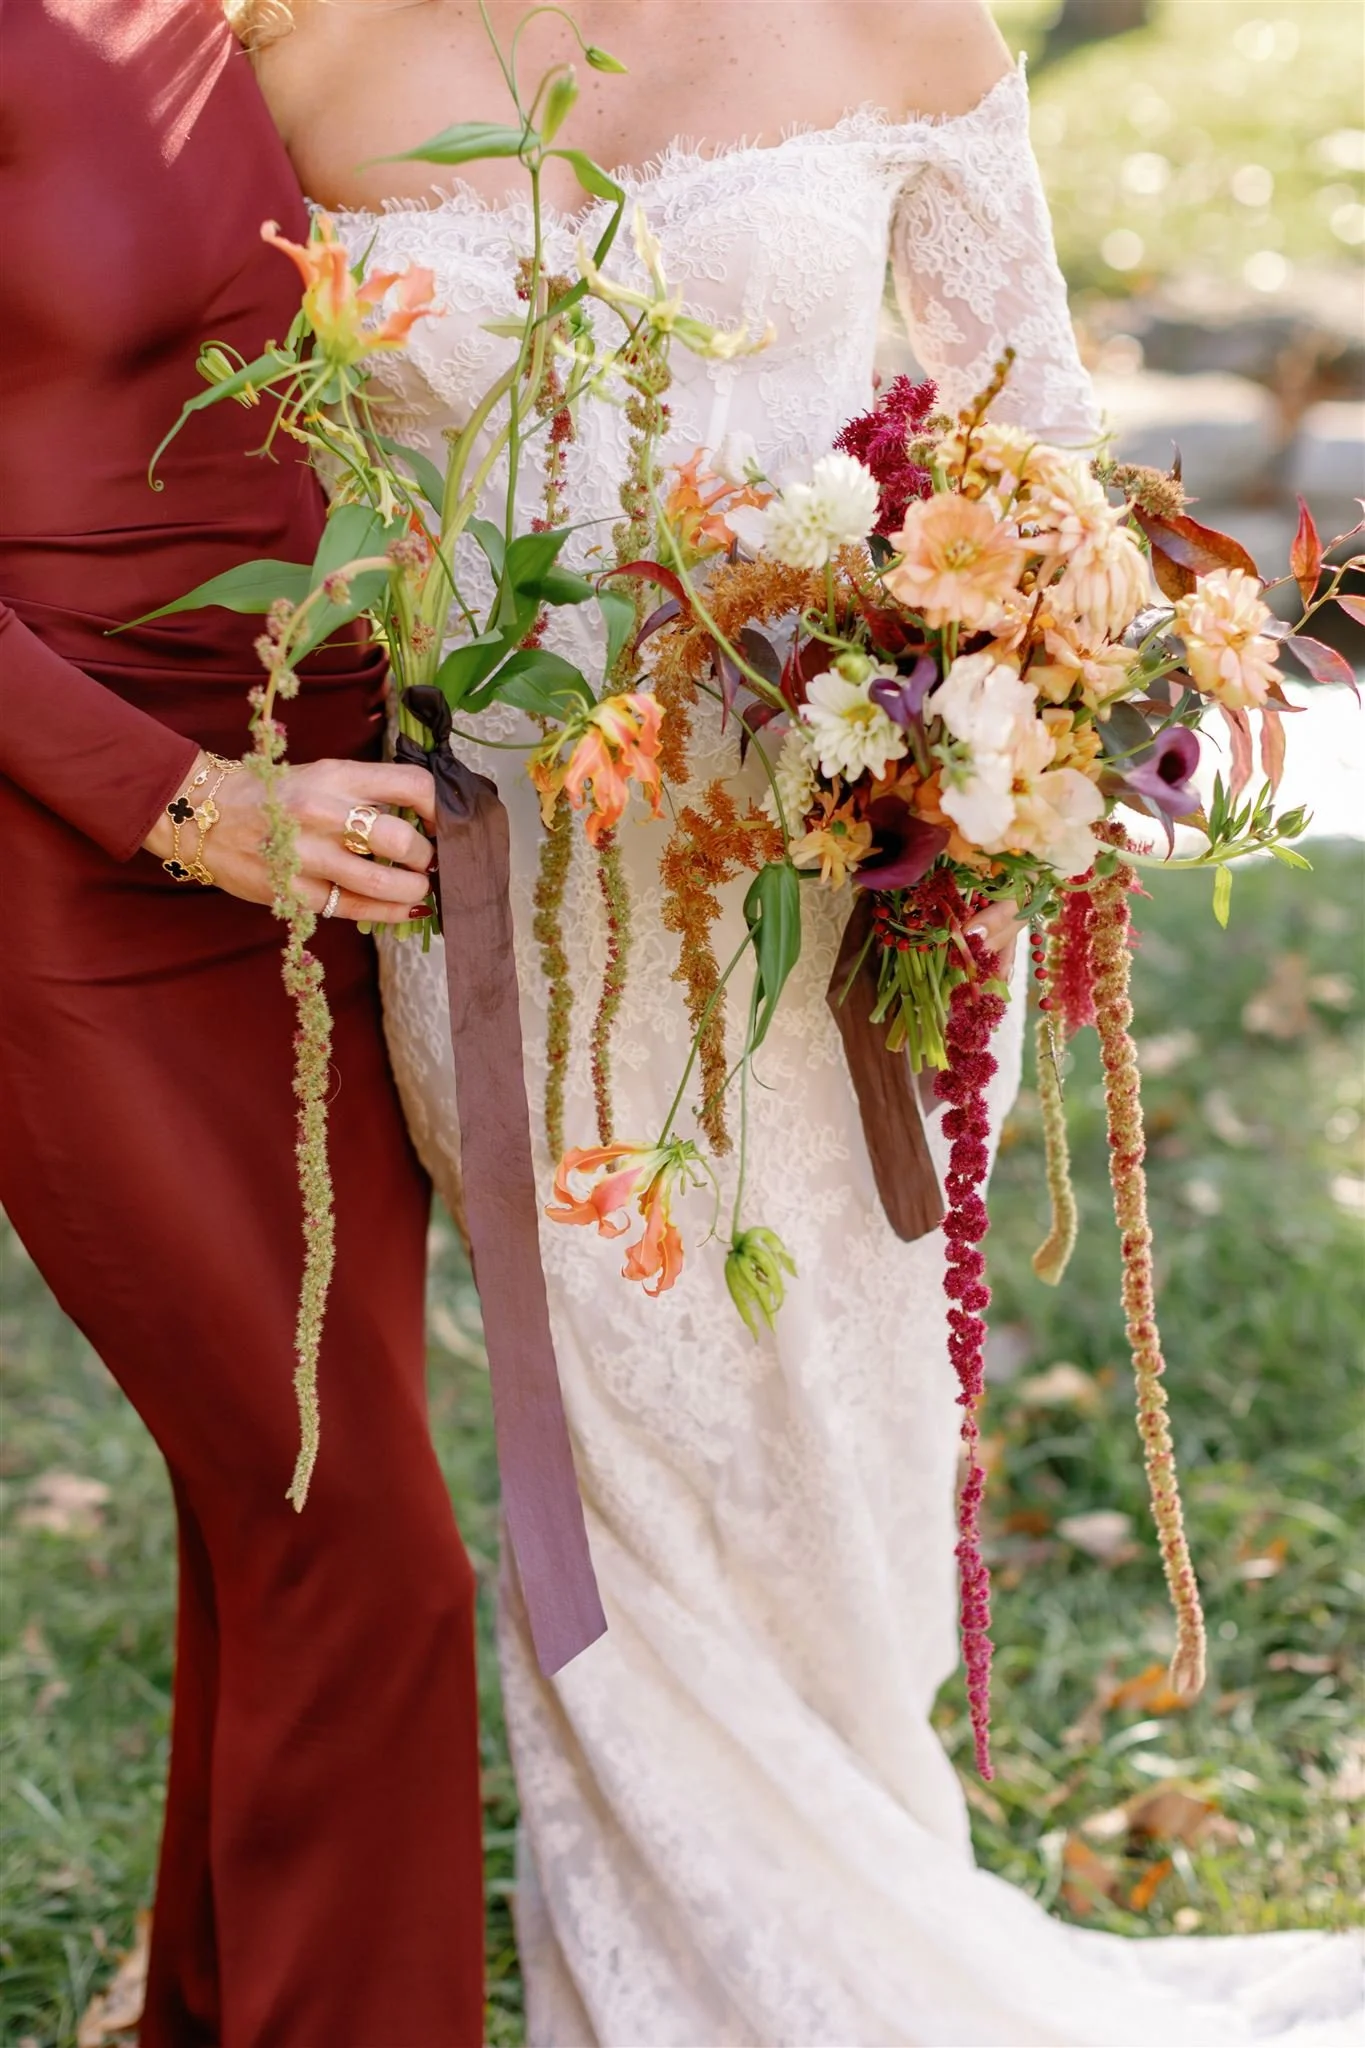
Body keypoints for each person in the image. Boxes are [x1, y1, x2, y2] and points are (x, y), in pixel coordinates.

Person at [252, 3, 1363, 2043]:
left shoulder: (895, 26)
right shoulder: (311, 65)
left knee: (835, 1492)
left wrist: (987, 705)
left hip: (850, 907)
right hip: (538, 949)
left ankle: (861, 1926)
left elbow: (1043, 462)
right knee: (628, 1490)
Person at [0, 3, 486, 2041]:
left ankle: (218, 2010)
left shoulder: (285, 17)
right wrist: (187, 807)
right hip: (76, 834)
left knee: (281, 1507)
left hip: (330, 813)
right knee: (367, 1551)